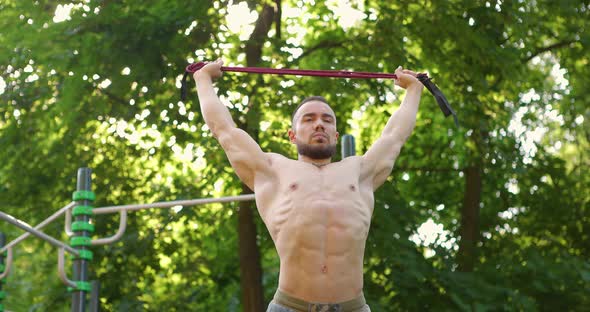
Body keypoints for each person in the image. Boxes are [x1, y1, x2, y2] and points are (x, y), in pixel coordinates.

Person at [193, 59, 423, 312]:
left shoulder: (359, 172)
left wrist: (414, 90)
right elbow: (224, 130)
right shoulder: (272, 170)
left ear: (335, 134)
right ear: (292, 135)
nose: (319, 124)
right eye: (308, 119)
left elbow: (395, 136)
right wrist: (203, 79)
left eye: (327, 119)